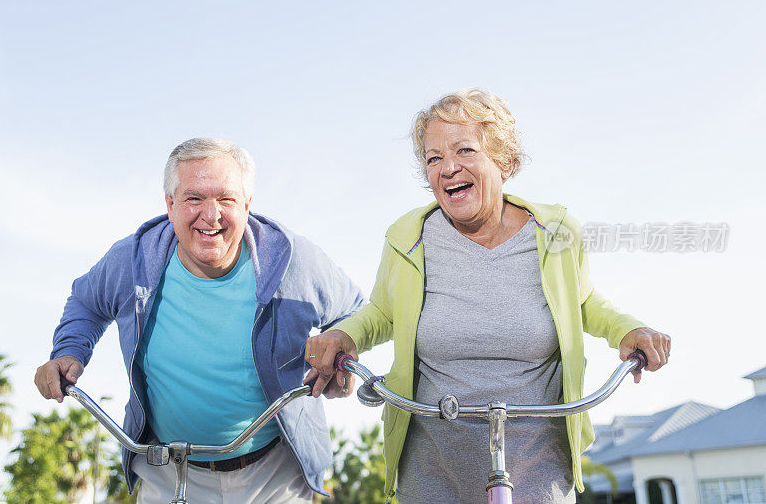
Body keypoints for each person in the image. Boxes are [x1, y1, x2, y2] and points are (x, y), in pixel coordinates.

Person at [304, 89, 672, 504]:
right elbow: (381, 314)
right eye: (433, 157)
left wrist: (629, 330)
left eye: (465, 150)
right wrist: (344, 336)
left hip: (537, 464)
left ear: (505, 162)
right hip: (431, 467)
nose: (448, 168)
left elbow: (585, 302)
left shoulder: (557, 232)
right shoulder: (407, 238)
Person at [34, 138, 363, 503]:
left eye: (226, 199)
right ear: (170, 205)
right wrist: (68, 351)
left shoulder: (294, 259)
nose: (211, 215)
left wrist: (341, 355)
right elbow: (86, 301)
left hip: (274, 476)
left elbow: (355, 312)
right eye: (194, 199)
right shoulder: (132, 259)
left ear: (247, 205)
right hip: (167, 470)